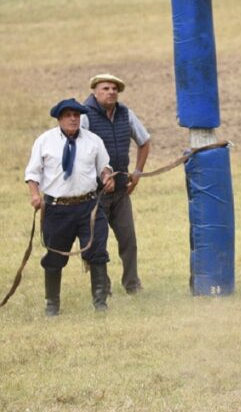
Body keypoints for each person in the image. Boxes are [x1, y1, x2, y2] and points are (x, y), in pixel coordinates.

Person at [25, 99, 115, 316]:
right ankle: (52, 305)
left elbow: (104, 166)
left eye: (76, 114)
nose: (73, 118)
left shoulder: (93, 141)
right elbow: (33, 173)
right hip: (57, 209)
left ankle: (100, 304)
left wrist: (108, 177)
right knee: (54, 256)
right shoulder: (44, 141)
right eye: (68, 115)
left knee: (97, 252)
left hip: (89, 207)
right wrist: (35, 195)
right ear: (59, 118)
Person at [81, 74, 151, 295]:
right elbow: (79, 153)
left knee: (128, 240)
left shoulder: (125, 114)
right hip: (94, 193)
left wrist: (137, 172)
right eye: (105, 88)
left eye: (114, 89)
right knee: (96, 243)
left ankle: (132, 285)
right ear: (95, 91)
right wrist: (99, 177)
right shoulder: (84, 116)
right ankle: (102, 289)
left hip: (121, 190)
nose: (111, 92)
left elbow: (144, 141)